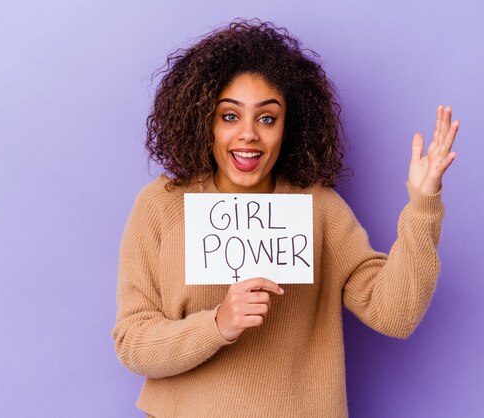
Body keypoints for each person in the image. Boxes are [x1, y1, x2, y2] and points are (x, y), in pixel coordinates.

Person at [112, 19, 459, 417]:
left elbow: (394, 315)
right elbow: (133, 341)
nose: (248, 135)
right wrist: (218, 324)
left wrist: (423, 202)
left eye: (266, 118)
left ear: (287, 127)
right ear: (203, 121)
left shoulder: (319, 209)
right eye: (229, 116)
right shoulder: (161, 205)